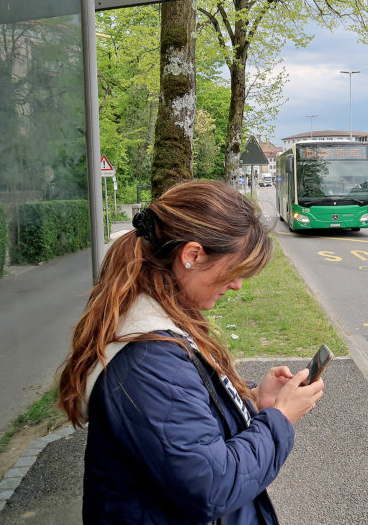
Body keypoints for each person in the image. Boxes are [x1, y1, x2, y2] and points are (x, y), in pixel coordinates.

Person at [58, 180, 324, 524]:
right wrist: (280, 419)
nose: (238, 284)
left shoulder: (159, 324)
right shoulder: (148, 359)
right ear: (192, 255)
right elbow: (211, 487)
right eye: (234, 270)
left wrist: (255, 400)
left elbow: (187, 428)